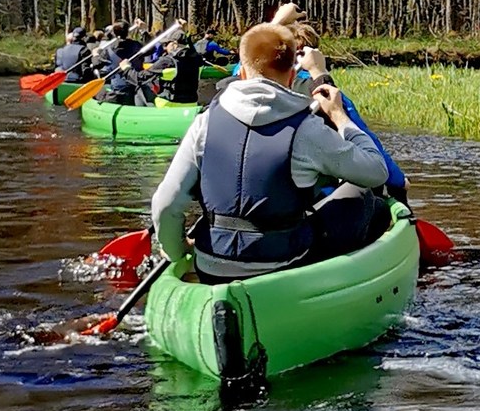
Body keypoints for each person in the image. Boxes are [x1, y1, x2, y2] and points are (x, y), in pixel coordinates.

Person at [151, 21, 393, 281]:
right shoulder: (307, 128)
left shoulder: (205, 122)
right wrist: (339, 117)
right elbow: (377, 172)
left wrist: (178, 251)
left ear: (242, 73)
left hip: (210, 266)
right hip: (282, 266)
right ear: (291, 77)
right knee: (363, 196)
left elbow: (165, 203)